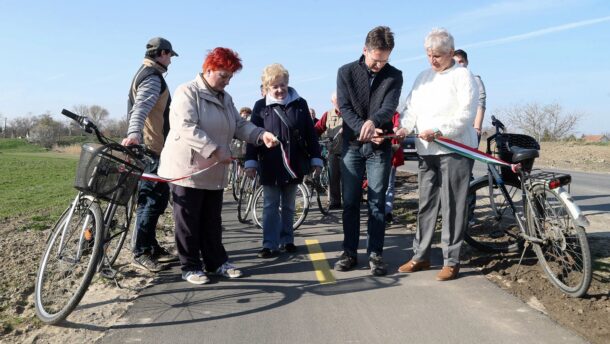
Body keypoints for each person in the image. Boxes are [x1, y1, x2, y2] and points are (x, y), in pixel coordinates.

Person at [157, 48, 278, 285]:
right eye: (223, 75)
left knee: (212, 220)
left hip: (214, 171)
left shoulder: (225, 98)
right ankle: (190, 266)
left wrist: (260, 135)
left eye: (230, 77)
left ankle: (216, 262)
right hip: (188, 170)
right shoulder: (187, 92)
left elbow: (239, 125)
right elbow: (185, 126)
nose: (227, 81)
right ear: (208, 69)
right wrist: (214, 149)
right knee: (188, 221)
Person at [396, 28, 478, 281]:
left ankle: (451, 260)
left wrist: (441, 131)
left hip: (455, 149)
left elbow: (466, 114)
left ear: (451, 53)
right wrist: (405, 127)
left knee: (453, 205)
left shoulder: (463, 77)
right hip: (426, 150)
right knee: (426, 204)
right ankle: (420, 256)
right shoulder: (422, 77)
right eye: (429, 55)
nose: (432, 60)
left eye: (438, 56)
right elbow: (410, 108)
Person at [335, 26, 403, 276]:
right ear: (365, 50)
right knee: (350, 202)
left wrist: (373, 123)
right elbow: (344, 106)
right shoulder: (345, 72)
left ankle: (375, 254)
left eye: (384, 60)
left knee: (377, 202)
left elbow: (389, 106)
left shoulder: (395, 75)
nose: (379, 66)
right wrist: (363, 127)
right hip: (352, 147)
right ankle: (349, 252)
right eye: (376, 60)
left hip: (379, 147)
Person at [245, 63, 322, 258]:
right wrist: (251, 161)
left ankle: (287, 239)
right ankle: (270, 243)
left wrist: (316, 158)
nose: (279, 90)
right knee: (270, 204)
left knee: (288, 204)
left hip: (294, 163)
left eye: (282, 85)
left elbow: (310, 134)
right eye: (274, 86)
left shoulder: (300, 104)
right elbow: (253, 135)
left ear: (287, 84)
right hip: (270, 163)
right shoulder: (260, 106)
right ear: (267, 87)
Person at [122, 37, 179, 272]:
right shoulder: (152, 78)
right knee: (151, 201)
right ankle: (141, 252)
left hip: (153, 148)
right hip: (152, 149)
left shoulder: (144, 73)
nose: (171, 61)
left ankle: (151, 245)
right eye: (170, 56)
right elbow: (141, 108)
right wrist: (134, 133)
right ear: (162, 54)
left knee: (157, 199)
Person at [314, 91, 343, 209]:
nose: (339, 102)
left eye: (341, 99)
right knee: (333, 178)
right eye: (336, 100)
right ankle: (335, 202)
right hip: (333, 151)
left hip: (349, 151)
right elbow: (317, 129)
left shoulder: (349, 113)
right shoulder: (328, 114)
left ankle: (350, 202)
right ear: (332, 101)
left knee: (349, 180)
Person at [454, 49, 486, 142]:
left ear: (466, 62)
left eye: (461, 61)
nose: (459, 65)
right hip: (453, 130)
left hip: (470, 130)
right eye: (455, 62)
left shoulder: (475, 80)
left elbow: (481, 103)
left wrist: (477, 128)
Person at [384, 111, 405, 224]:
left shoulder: (396, 115)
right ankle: (378, 212)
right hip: (377, 154)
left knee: (389, 185)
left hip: (391, 154)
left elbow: (397, 127)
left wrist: (396, 130)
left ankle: (387, 213)